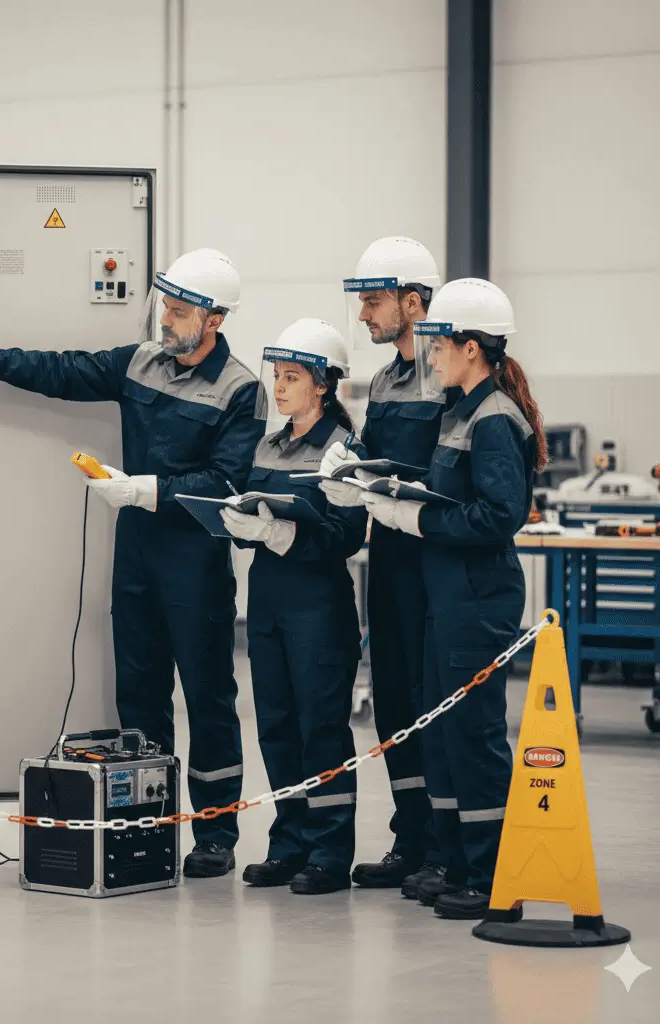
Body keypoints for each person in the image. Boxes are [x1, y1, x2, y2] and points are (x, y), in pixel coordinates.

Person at [0, 249, 263, 879]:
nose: (166, 317)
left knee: (208, 695)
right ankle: (149, 821)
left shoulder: (241, 389)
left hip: (194, 560)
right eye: (165, 304)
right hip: (136, 554)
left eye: (180, 310)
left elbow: (227, 481)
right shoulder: (140, 362)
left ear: (213, 320)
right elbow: (63, 370)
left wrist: (145, 490)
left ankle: (216, 833)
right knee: (140, 694)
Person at [359, 278, 546, 920]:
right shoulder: (460, 409)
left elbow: (498, 514)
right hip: (448, 597)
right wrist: (385, 483)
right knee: (441, 734)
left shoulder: (495, 418)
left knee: (473, 736)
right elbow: (446, 483)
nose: (430, 356)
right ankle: (459, 861)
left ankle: (494, 876)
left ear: (470, 348)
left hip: (476, 598)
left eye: (439, 345)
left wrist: (419, 522)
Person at [220, 319, 368, 894]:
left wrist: (286, 537)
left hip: (318, 607)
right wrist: (240, 524)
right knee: (277, 726)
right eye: (276, 376)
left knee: (321, 729)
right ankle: (289, 843)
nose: (278, 388)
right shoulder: (268, 442)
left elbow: (348, 535)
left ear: (323, 386)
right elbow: (253, 511)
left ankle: (330, 851)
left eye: (291, 378)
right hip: (269, 604)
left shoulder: (344, 452)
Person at [318, 237, 444, 893]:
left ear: (413, 301)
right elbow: (379, 450)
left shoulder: (448, 376)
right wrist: (348, 467)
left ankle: (447, 848)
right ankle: (411, 837)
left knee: (435, 701)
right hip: (389, 557)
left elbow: (450, 470)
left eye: (373, 302)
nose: (364, 316)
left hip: (436, 560)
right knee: (394, 698)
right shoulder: (390, 379)